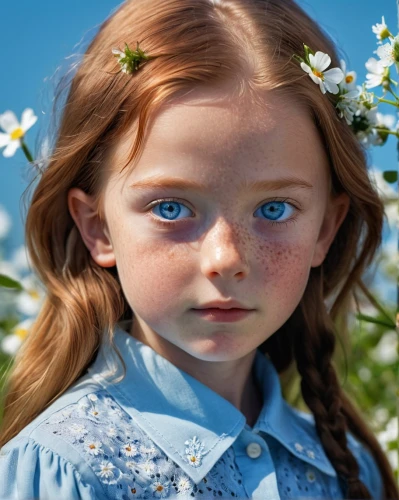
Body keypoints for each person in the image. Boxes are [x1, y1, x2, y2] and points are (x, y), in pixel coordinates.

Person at [0, 0, 397, 498]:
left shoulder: (350, 474)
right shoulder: (62, 469)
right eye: (171, 208)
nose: (226, 258)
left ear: (325, 228)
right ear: (98, 227)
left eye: (273, 209)